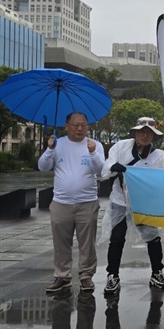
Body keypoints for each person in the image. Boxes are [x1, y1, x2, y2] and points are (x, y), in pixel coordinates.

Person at [38, 112, 105, 294]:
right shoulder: (57, 144)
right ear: (66, 125)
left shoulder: (95, 145)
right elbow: (43, 167)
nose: (79, 128)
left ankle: (86, 276)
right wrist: (50, 149)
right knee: (61, 242)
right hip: (61, 202)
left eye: (83, 125)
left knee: (87, 243)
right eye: (75, 124)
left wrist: (92, 153)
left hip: (87, 202)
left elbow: (101, 170)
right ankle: (62, 276)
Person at [101, 117, 164, 295]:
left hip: (143, 203)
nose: (145, 135)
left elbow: (156, 179)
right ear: (135, 133)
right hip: (120, 200)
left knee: (152, 237)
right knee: (116, 239)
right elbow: (106, 167)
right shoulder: (120, 147)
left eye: (149, 133)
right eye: (142, 132)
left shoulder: (157, 155)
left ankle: (157, 272)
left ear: (153, 136)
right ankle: (112, 275)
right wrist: (115, 167)